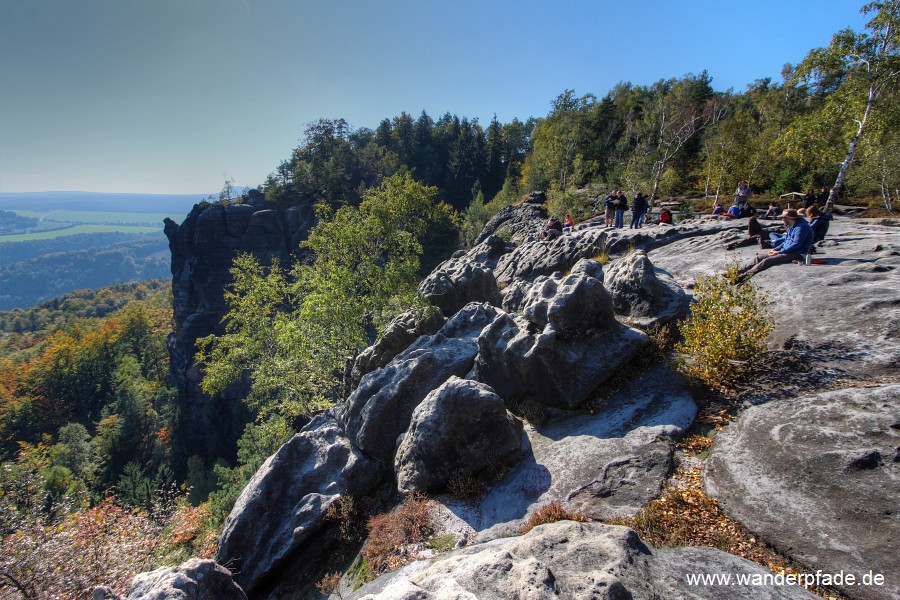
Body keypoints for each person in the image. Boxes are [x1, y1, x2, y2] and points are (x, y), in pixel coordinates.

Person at [737, 209, 813, 281]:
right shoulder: (791, 226)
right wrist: (775, 249)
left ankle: (743, 277)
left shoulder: (802, 227)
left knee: (767, 261)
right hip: (787, 251)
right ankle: (736, 272)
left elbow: (796, 244)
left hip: (798, 253)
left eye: (782, 218)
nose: (781, 220)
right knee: (758, 258)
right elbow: (785, 242)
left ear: (787, 218)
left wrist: (779, 252)